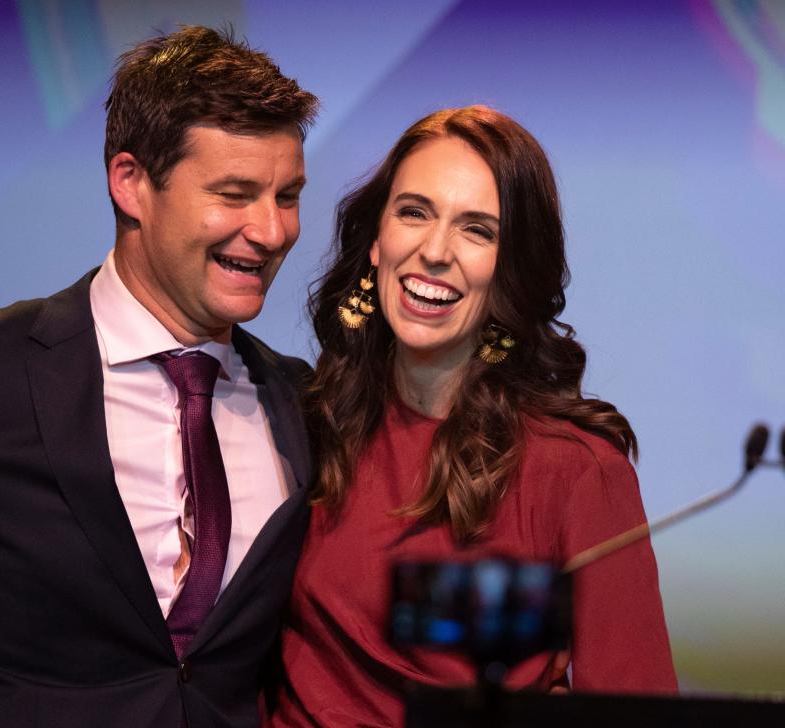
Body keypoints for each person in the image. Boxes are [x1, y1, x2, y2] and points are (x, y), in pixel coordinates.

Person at [0, 26, 318, 727]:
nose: (271, 231)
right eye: (235, 194)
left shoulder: (302, 404)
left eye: (288, 196)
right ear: (131, 184)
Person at [267, 106, 677, 726]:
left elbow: (638, 710)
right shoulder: (303, 422)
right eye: (414, 212)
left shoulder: (576, 472)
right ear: (377, 241)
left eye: (477, 230)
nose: (434, 251)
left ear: (511, 270)